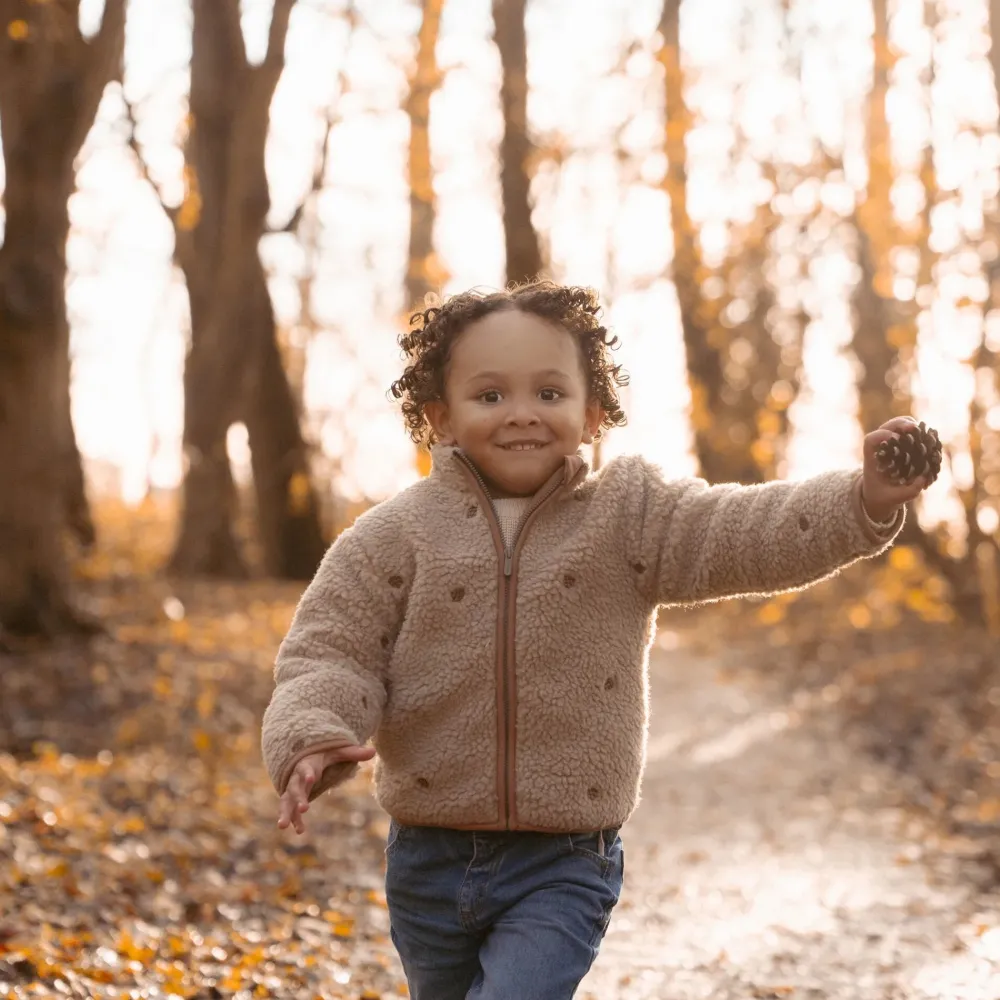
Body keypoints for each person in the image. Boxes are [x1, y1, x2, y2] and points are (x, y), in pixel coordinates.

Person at [261, 280, 927, 1000]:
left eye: (549, 393)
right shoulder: (393, 537)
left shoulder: (628, 515)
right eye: (491, 396)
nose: (522, 414)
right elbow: (332, 647)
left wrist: (861, 500)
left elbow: (744, 532)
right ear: (441, 417)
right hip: (428, 855)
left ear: (593, 414)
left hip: (565, 859)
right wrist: (313, 732)